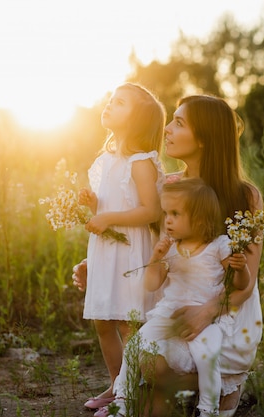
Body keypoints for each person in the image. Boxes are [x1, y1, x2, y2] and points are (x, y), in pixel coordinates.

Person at [73, 94, 263, 417]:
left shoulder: (245, 195)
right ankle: (181, 387)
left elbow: (248, 281)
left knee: (192, 360)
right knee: (147, 369)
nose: (168, 130)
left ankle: (225, 383)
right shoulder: (170, 186)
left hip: (227, 311)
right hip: (179, 301)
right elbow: (152, 248)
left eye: (179, 123)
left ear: (204, 139)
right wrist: (98, 265)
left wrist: (207, 312)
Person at [108, 178, 250, 417]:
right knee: (134, 345)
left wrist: (241, 268)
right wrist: (156, 257)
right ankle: (122, 398)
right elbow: (152, 284)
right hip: (168, 314)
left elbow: (240, 285)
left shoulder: (219, 245)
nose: (168, 220)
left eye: (175, 213)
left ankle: (208, 408)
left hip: (207, 319)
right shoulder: (172, 248)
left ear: (201, 219)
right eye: (165, 213)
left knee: (208, 358)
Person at [78, 82, 166, 414]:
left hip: (131, 250)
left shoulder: (141, 161)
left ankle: (131, 392)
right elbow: (111, 204)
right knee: (103, 320)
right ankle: (116, 383)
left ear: (137, 119)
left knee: (129, 323)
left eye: (119, 103)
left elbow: (150, 210)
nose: (109, 105)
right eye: (110, 100)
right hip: (106, 249)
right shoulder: (106, 158)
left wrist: (108, 216)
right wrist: (93, 205)